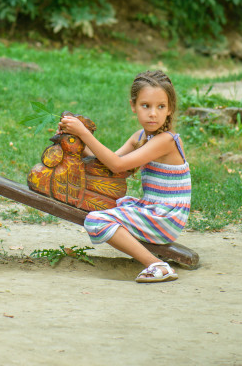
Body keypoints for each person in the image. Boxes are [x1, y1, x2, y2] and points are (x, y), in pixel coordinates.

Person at [57, 70, 191, 283]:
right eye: (145, 106)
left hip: (166, 217)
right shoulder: (140, 137)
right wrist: (76, 141)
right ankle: (154, 261)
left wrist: (85, 133)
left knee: (96, 220)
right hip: (152, 209)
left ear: (170, 109)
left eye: (161, 107)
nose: (153, 113)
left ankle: (156, 265)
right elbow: (109, 166)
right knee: (100, 208)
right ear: (133, 106)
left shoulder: (166, 140)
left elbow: (116, 163)